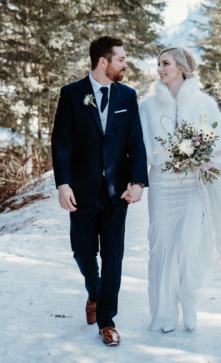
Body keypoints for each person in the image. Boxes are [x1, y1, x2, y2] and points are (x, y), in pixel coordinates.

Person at [51, 36, 148, 346]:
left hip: (117, 193)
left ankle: (107, 320)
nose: (124, 64)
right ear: (103, 62)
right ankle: (94, 292)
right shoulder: (71, 94)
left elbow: (136, 141)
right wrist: (63, 183)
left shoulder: (128, 96)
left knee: (113, 256)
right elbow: (61, 142)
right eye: (120, 59)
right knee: (82, 251)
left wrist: (137, 182)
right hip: (81, 190)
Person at [139, 46, 221, 333]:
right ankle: (163, 312)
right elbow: (141, 150)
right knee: (160, 244)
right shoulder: (147, 107)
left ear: (182, 67)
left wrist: (203, 157)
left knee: (189, 245)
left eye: (165, 63)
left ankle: (188, 299)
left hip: (192, 185)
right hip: (162, 183)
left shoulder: (204, 103)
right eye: (158, 64)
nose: (159, 69)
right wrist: (136, 180)